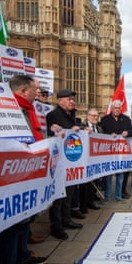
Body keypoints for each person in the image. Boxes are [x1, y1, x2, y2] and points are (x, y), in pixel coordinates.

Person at [0, 75, 47, 264]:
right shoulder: (2, 110)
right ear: (24, 91)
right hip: (9, 178)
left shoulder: (28, 110)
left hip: (28, 173)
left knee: (24, 220)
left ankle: (21, 255)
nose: (38, 92)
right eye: (35, 88)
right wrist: (14, 148)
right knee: (11, 227)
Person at [46, 89, 83, 240]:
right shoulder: (53, 115)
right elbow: (53, 133)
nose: (72, 101)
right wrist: (69, 130)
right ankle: (56, 226)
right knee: (59, 196)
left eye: (73, 99)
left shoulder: (71, 115)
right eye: (69, 99)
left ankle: (66, 219)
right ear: (60, 100)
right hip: (59, 160)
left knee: (69, 192)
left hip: (71, 160)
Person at [101, 100, 132, 201]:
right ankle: (107, 196)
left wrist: (127, 132)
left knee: (120, 175)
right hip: (109, 152)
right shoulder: (105, 119)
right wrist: (109, 135)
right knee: (108, 176)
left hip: (121, 152)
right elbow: (100, 134)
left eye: (119, 108)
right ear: (111, 109)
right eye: (115, 108)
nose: (117, 110)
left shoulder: (126, 119)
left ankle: (118, 196)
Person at [79, 107, 102, 213]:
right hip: (85, 158)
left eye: (97, 116)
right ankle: (83, 205)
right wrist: (84, 132)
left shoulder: (99, 128)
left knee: (95, 181)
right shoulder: (82, 126)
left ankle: (91, 201)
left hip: (95, 159)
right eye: (93, 116)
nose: (96, 117)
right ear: (88, 116)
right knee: (85, 184)